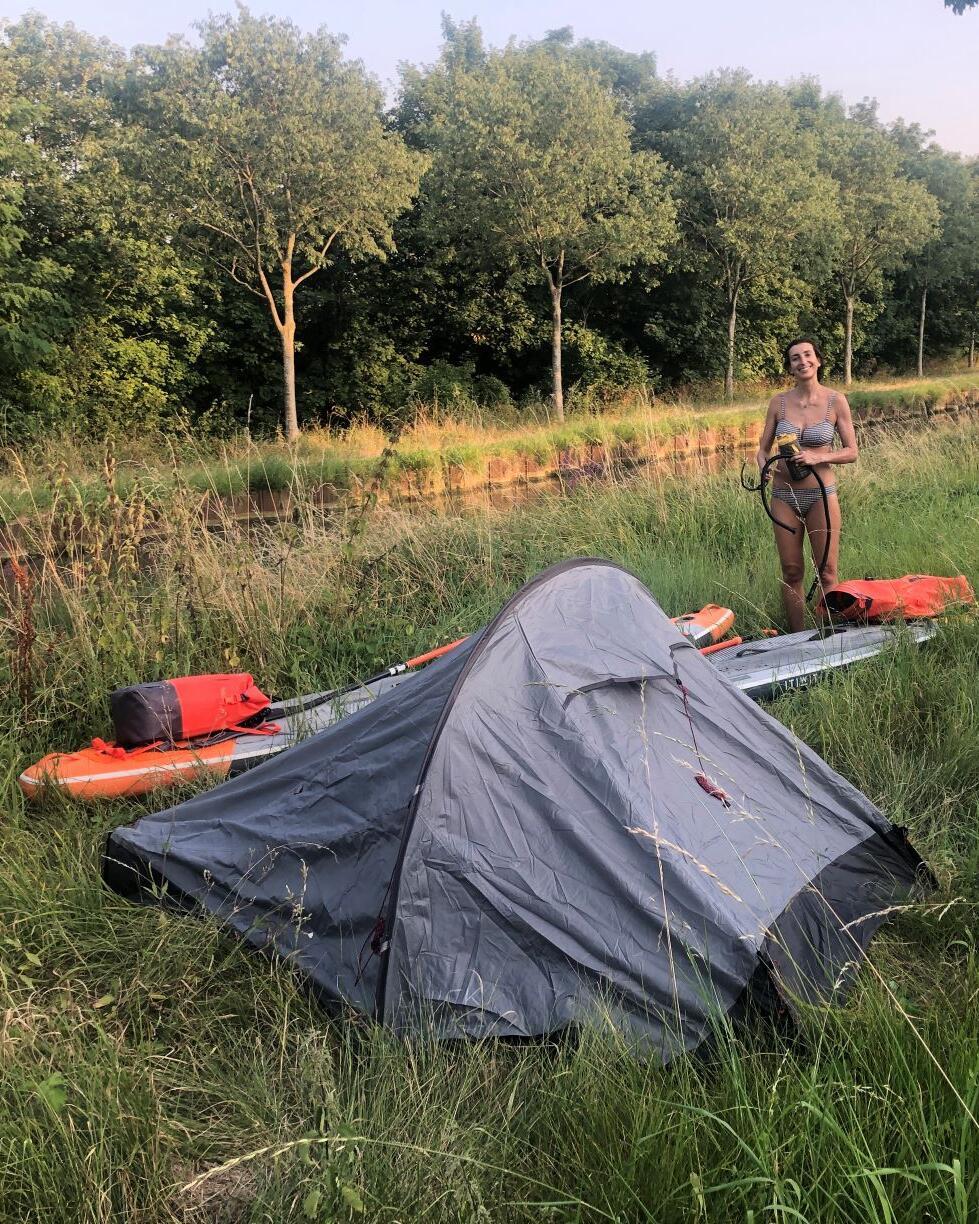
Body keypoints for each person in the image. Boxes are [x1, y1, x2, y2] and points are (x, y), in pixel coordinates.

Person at [757, 338, 858, 632]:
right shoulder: (778, 402)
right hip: (783, 495)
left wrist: (818, 456)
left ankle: (828, 637)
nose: (802, 361)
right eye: (795, 358)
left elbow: (852, 451)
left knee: (827, 571)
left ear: (818, 360)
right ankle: (797, 638)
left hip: (821, 496)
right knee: (791, 571)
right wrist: (763, 466)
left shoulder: (835, 400)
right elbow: (763, 449)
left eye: (807, 355)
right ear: (790, 367)